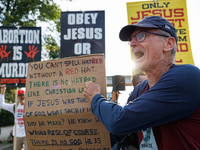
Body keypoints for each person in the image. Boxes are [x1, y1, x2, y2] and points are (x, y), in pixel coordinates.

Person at [83, 16, 200, 150]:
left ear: (168, 43)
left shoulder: (188, 76)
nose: (132, 44)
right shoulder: (140, 89)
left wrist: (95, 98)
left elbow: (119, 121)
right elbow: (120, 132)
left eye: (141, 36)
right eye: (131, 39)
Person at [0, 85, 28, 150]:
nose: (22, 97)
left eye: (23, 95)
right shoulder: (14, 106)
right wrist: (2, 91)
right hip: (17, 135)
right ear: (18, 97)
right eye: (20, 95)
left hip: (27, 135)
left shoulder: (29, 106)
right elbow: (1, 104)